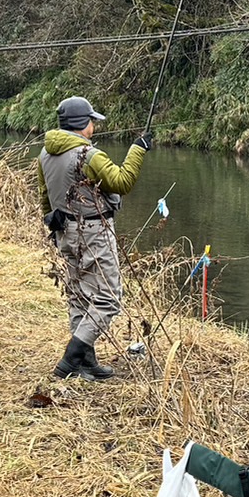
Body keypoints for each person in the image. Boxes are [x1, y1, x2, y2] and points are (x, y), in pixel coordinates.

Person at [37, 96, 150, 381]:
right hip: (94, 233)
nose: (94, 127)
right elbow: (122, 182)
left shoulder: (45, 154)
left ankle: (86, 363)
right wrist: (137, 149)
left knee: (79, 296)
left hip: (64, 231)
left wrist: (55, 229)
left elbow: (44, 197)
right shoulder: (89, 155)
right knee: (109, 298)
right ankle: (71, 359)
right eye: (91, 121)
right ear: (82, 123)